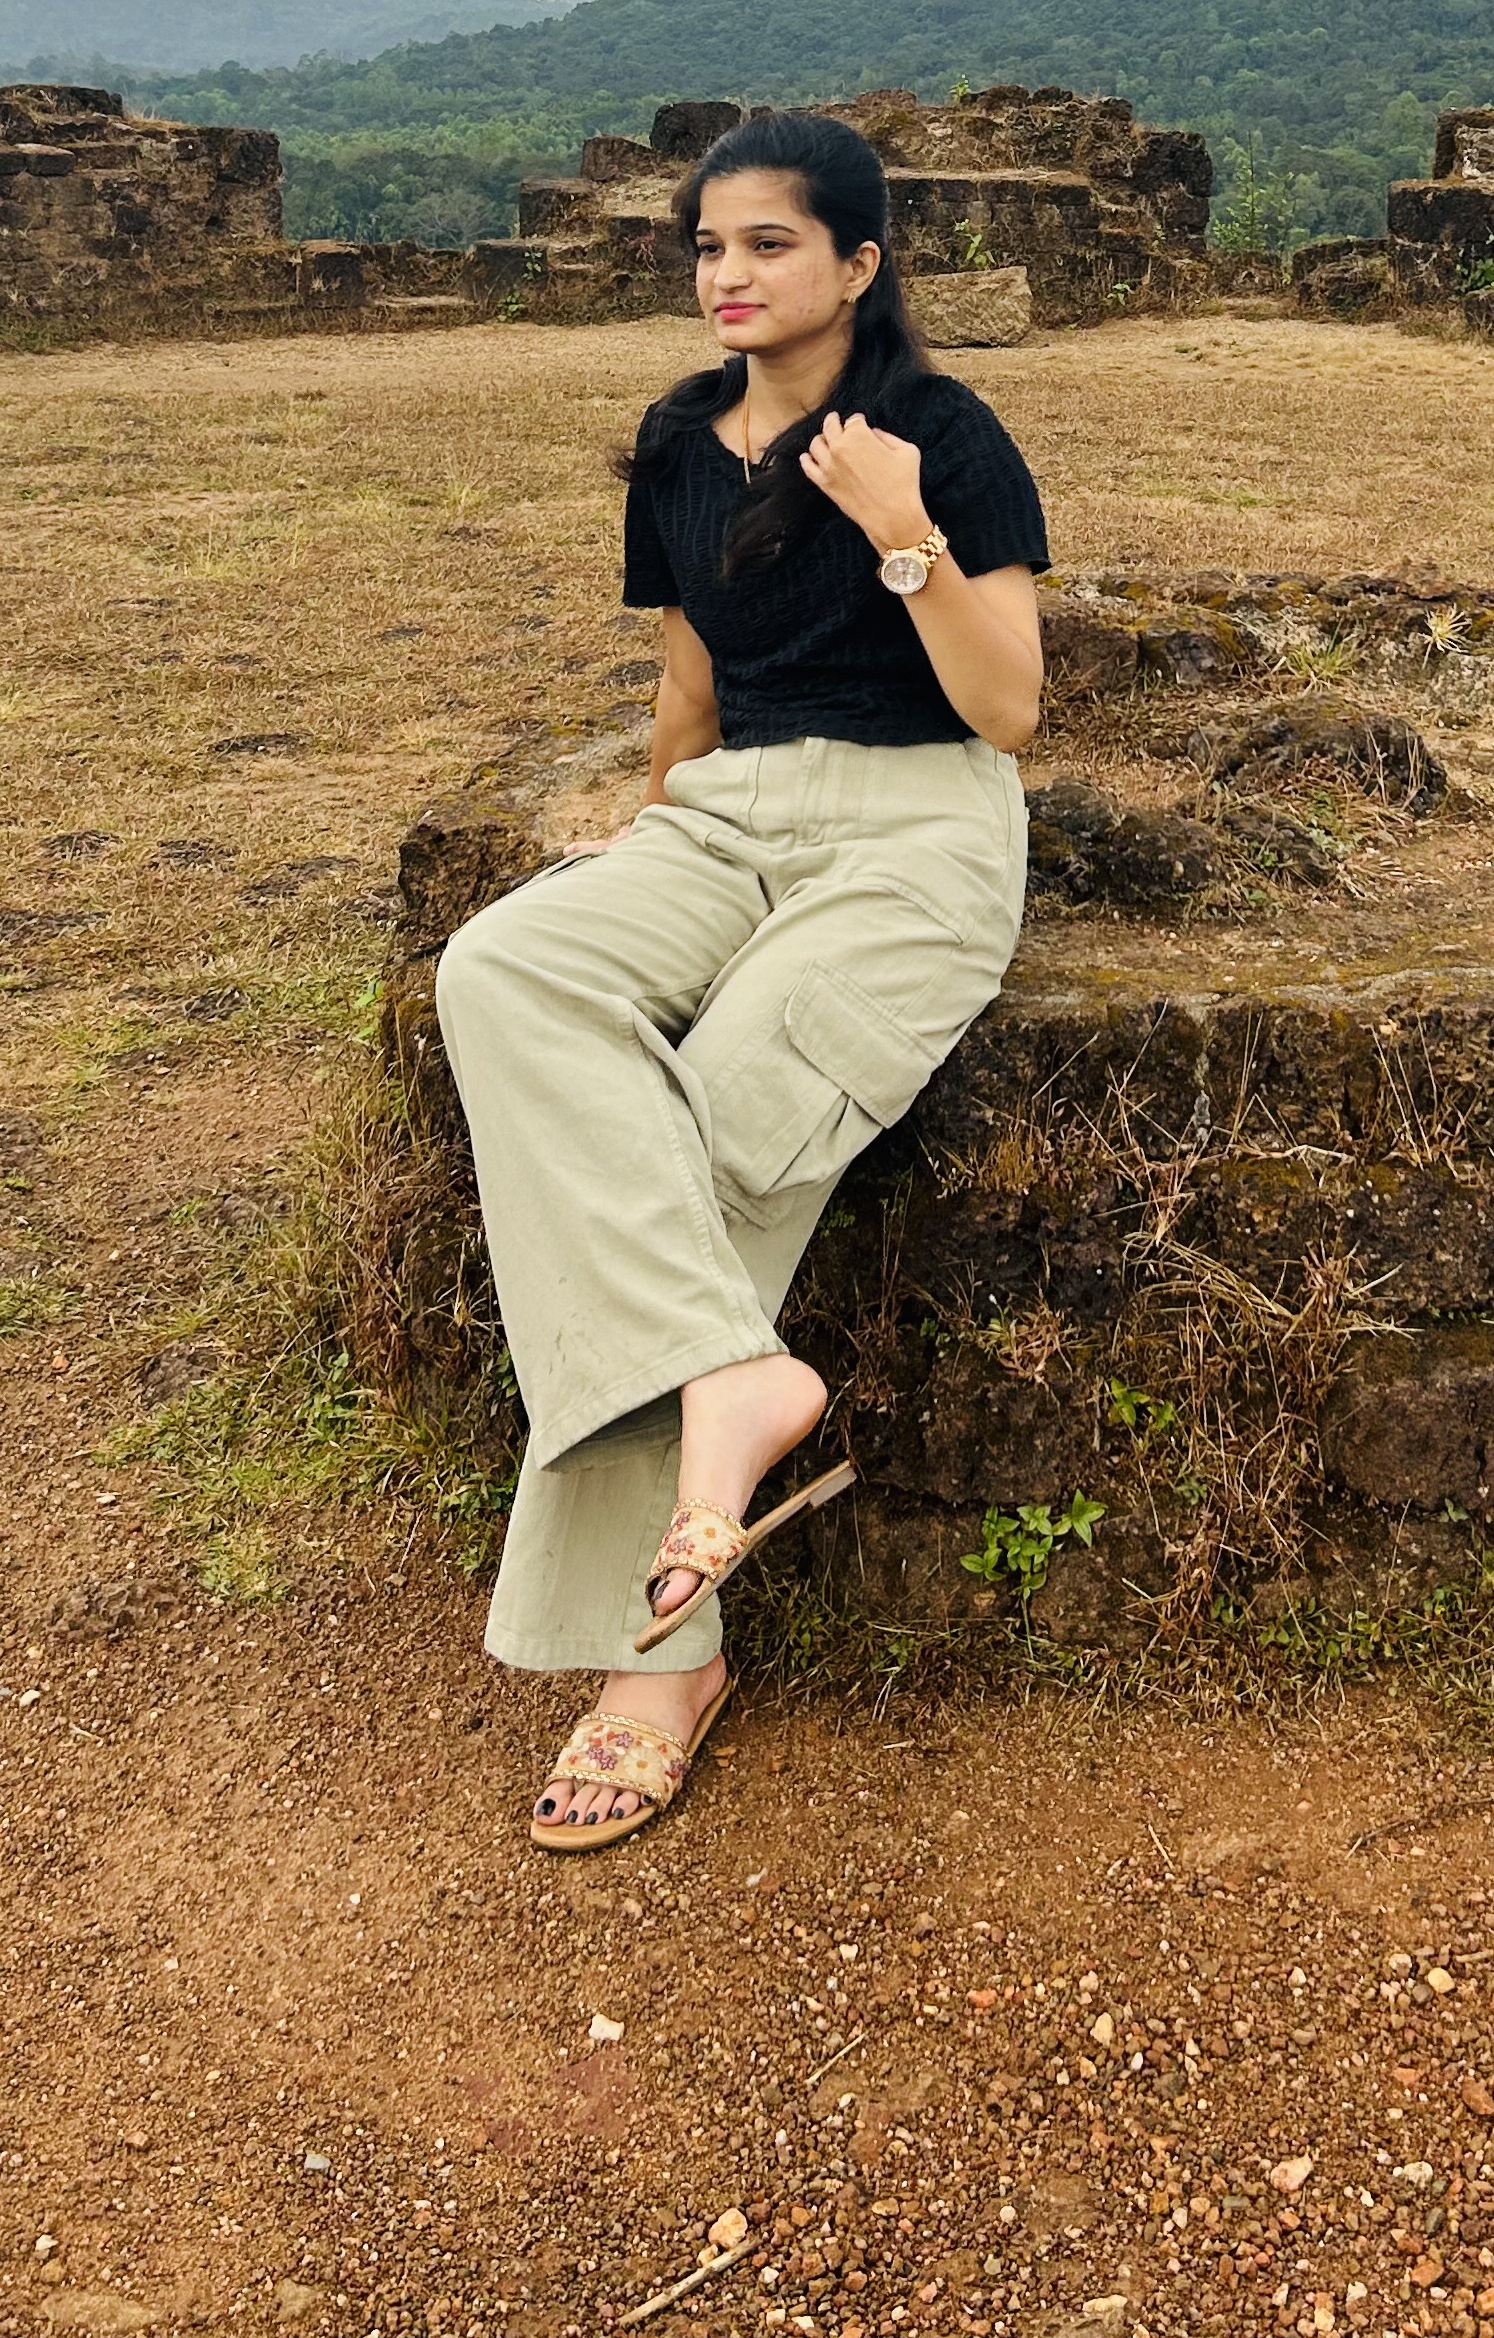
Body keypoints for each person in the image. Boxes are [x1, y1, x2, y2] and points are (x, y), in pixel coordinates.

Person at [432, 108, 1048, 1851]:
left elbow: (1009, 709)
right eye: (708, 244)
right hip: (731, 815)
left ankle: (656, 1663)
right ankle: (735, 1375)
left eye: (769, 243)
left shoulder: (940, 433)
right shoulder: (677, 443)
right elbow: (690, 688)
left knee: (714, 1128)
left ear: (858, 263)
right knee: (504, 967)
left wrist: (903, 530)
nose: (729, 273)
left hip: (920, 827)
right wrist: (652, 843)